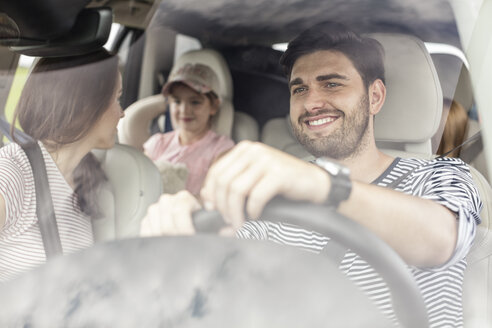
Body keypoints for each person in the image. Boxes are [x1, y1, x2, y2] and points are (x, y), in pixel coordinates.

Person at [141, 22, 482, 327]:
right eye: (299, 89)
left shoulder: (441, 173)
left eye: (331, 84)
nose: (311, 102)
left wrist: (324, 184)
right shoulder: (276, 188)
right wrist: (184, 236)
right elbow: (229, 269)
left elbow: (440, 239)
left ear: (375, 96)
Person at [0, 49, 123, 282]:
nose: (122, 112)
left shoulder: (86, 184)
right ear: (86, 104)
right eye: (116, 98)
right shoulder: (12, 171)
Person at [143, 63, 235, 196]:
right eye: (177, 101)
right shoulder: (157, 143)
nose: (184, 110)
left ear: (214, 106)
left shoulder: (221, 148)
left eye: (195, 102)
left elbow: (214, 196)